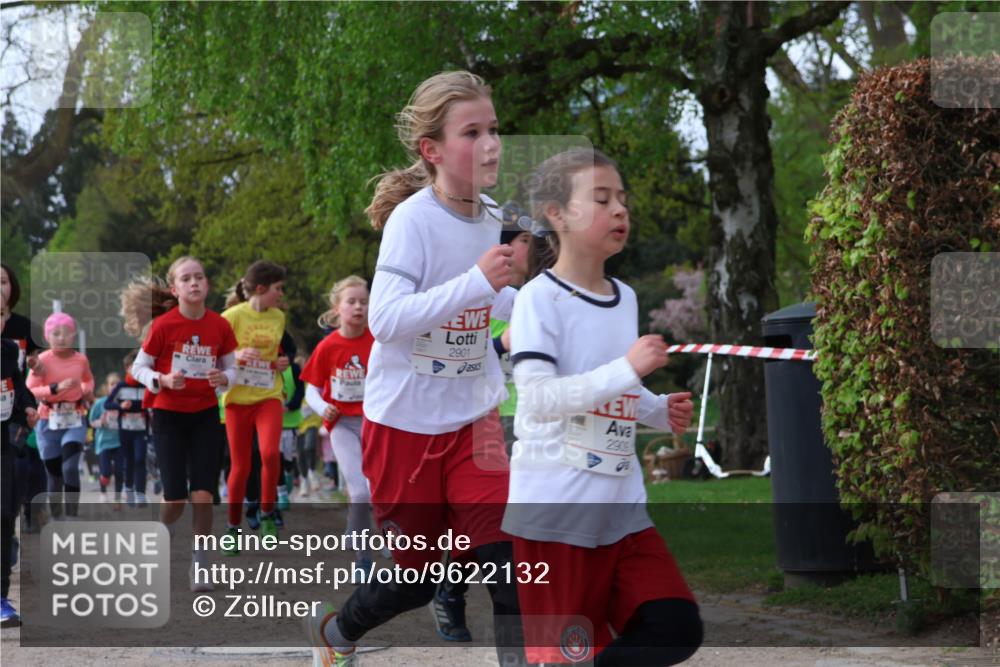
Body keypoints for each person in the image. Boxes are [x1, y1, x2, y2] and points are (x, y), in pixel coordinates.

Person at [305, 69, 524, 667]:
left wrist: (546, 308)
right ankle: (338, 631)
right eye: (472, 133)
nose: (491, 144)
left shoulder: (499, 216)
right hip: (405, 428)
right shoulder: (413, 220)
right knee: (417, 579)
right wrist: (476, 281)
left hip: (474, 421)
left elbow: (498, 302)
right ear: (433, 150)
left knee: (510, 565)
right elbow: (386, 319)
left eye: (494, 129)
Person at [506, 148, 702, 665]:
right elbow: (539, 397)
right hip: (557, 513)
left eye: (622, 199)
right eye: (601, 199)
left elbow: (609, 386)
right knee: (563, 658)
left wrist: (656, 409)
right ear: (556, 214)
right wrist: (628, 370)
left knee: (675, 627)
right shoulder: (538, 299)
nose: (620, 210)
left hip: (621, 509)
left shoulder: (625, 297)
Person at [125, 256, 238, 592]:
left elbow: (233, 369)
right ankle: (165, 531)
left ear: (207, 285)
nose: (194, 283)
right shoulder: (163, 326)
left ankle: (200, 564)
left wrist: (224, 378)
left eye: (199, 277)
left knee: (203, 494)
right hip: (168, 415)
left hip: (205, 414)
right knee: (175, 498)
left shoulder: (220, 325)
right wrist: (161, 379)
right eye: (186, 279)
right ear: (175, 289)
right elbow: (138, 368)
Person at [300, 275, 376, 574]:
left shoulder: (379, 341)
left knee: (379, 490)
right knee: (359, 492)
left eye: (364, 302)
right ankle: (363, 559)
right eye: (351, 302)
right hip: (342, 424)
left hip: (375, 424)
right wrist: (323, 407)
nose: (358, 307)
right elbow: (312, 390)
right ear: (337, 308)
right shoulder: (328, 346)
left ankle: (376, 533)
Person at [220, 260, 290, 546]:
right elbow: (215, 356)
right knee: (241, 466)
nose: (281, 294)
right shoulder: (231, 317)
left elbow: (273, 356)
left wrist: (280, 363)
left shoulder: (278, 318)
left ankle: (267, 512)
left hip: (268, 395)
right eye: (278, 288)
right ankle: (233, 527)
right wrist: (236, 356)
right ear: (261, 288)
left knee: (271, 454)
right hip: (237, 399)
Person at [26, 313, 94, 519]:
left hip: (75, 418)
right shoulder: (42, 361)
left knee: (70, 467)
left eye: (66, 333)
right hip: (48, 421)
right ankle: (57, 516)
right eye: (56, 333)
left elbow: (88, 380)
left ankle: (72, 515)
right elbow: (30, 390)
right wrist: (55, 388)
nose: (62, 338)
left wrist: (86, 390)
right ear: (47, 337)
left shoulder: (81, 359)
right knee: (54, 473)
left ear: (74, 336)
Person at [1, 295, 38, 627]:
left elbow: (18, 384)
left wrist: (27, 406)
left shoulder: (8, 350)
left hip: (3, 443)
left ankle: (1, 599)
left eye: (0, 313)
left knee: (3, 515)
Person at [106, 351, 151, 507]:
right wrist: (120, 406)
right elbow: (107, 404)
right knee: (129, 460)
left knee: (140, 459)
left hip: (141, 429)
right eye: (133, 367)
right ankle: (129, 488)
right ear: (127, 368)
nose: (137, 370)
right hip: (125, 430)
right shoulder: (121, 386)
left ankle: (141, 494)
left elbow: (154, 403)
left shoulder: (146, 385)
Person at [89, 372, 125, 509]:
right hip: (104, 442)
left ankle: (117, 498)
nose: (115, 386)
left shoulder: (124, 403)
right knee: (105, 472)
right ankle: (103, 492)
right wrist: (101, 422)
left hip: (120, 442)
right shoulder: (100, 403)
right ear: (107, 387)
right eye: (112, 384)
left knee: (119, 471)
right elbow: (91, 422)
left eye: (117, 384)